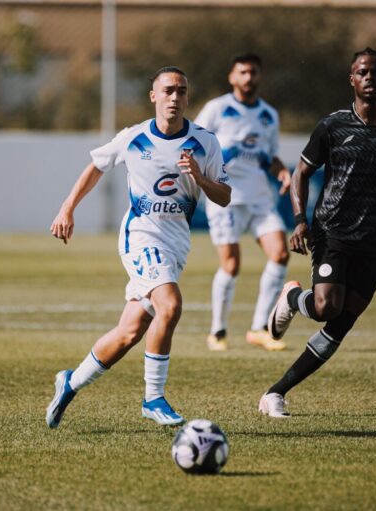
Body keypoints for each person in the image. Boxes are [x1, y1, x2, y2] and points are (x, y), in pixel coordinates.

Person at [46, 66, 231, 428]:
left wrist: (199, 176)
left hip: (176, 243)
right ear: (154, 97)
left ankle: (70, 382)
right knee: (172, 304)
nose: (174, 97)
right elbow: (96, 167)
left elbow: (224, 197)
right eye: (167, 91)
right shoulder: (134, 138)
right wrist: (67, 208)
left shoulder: (206, 142)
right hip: (140, 237)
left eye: (180, 91)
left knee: (129, 332)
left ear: (187, 97)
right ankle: (153, 398)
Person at [259, 48, 376, 418]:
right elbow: (301, 175)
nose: (369, 77)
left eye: (375, 72)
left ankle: (276, 393)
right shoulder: (332, 126)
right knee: (325, 307)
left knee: (340, 323)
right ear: (351, 80)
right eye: (362, 72)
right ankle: (292, 301)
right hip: (332, 230)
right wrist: (300, 220)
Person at [195, 53, 292, 352]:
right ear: (232, 77)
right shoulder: (217, 108)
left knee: (281, 254)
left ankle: (260, 328)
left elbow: (270, 157)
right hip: (226, 200)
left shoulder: (268, 115)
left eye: (253, 73)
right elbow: (194, 142)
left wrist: (282, 172)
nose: (248, 78)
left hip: (260, 199)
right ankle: (218, 331)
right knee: (232, 264)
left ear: (259, 76)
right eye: (243, 73)